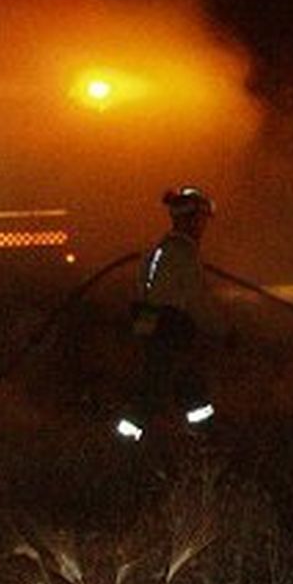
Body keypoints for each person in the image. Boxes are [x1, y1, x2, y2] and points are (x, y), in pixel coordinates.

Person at [116, 186, 219, 442]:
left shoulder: (157, 250)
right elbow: (196, 300)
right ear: (191, 219)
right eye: (202, 219)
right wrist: (222, 331)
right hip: (170, 331)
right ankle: (201, 440)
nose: (204, 226)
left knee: (172, 384)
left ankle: (133, 439)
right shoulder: (184, 253)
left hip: (152, 329)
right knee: (165, 388)